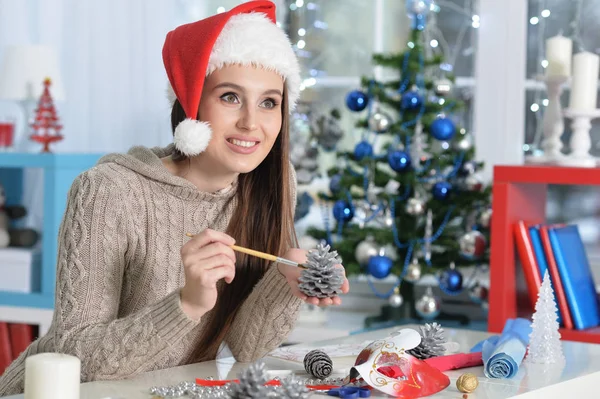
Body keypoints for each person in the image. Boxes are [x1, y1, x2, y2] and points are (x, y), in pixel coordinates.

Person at [0, 1, 349, 395]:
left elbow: (247, 347)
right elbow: (72, 357)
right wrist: (187, 304)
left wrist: (284, 281)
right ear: (191, 105)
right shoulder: (110, 191)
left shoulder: (271, 180)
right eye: (231, 97)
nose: (252, 123)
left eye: (269, 102)